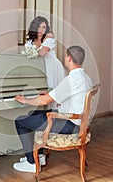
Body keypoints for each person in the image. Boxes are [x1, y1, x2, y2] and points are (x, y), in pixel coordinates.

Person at [13, 45, 93, 173]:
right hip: (77, 122)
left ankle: (32, 163)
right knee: (32, 113)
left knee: (20, 122)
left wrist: (25, 100)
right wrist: (50, 94)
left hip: (69, 124)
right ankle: (39, 156)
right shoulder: (86, 78)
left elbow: (45, 101)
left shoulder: (71, 79)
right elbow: (65, 94)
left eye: (66, 56)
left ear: (69, 58)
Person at [25, 16, 65, 91]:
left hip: (52, 68)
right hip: (40, 68)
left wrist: (31, 53)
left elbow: (42, 53)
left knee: (52, 91)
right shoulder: (30, 42)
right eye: (39, 27)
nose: (41, 29)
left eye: (44, 27)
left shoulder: (49, 38)